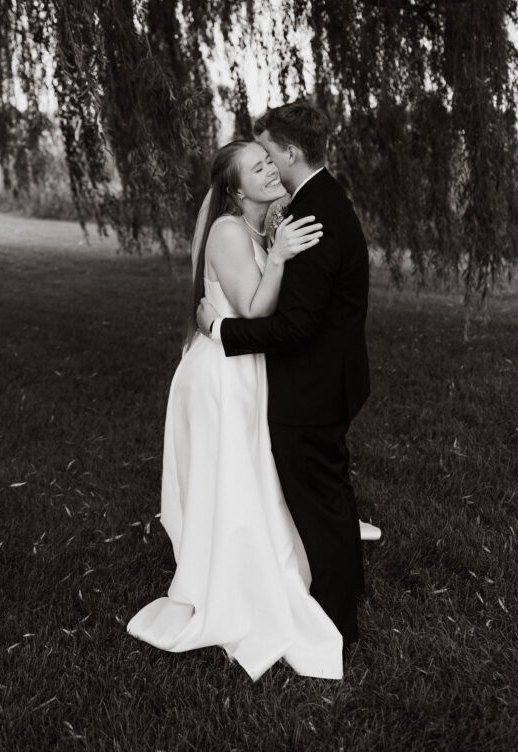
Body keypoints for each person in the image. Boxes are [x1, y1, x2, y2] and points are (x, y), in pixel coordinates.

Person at [127, 138, 345, 680]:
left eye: (270, 160)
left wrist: (275, 248)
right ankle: (230, 580)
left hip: (243, 367)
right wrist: (278, 257)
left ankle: (255, 561)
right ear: (234, 188)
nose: (271, 169)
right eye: (258, 167)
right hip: (222, 376)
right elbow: (252, 308)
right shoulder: (228, 230)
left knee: (248, 471)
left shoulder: (256, 227)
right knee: (231, 474)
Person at [197, 100, 371, 650]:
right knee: (325, 496)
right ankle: (334, 592)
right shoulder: (320, 198)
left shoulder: (310, 215)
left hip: (312, 388)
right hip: (325, 378)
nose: (268, 164)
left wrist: (223, 333)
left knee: (321, 503)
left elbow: (295, 327)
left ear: (290, 151)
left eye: (269, 152)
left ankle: (337, 621)